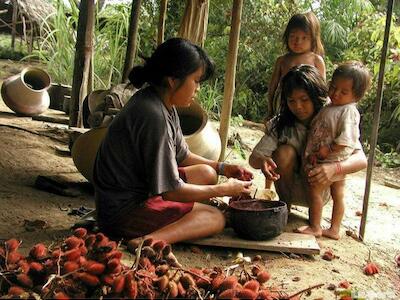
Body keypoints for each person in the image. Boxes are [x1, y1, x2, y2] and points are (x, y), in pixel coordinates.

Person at [92, 38, 253, 250]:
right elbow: (171, 192)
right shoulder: (153, 115)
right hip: (122, 212)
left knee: (207, 172)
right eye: (195, 81)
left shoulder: (164, 104)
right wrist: (222, 189)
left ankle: (174, 218)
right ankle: (145, 242)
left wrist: (223, 168)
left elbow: (183, 156)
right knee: (215, 218)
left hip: (143, 191)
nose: (197, 89)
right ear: (172, 80)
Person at [249, 65, 367, 236]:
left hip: (320, 187)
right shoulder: (281, 124)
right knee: (284, 152)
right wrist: (263, 161)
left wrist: (335, 168)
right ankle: (284, 209)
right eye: (291, 101)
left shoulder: (335, 113)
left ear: (315, 95)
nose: (298, 106)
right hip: (289, 189)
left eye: (304, 100)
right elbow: (254, 159)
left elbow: (361, 159)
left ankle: (323, 227)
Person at [296, 61, 371, 239]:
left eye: (344, 92)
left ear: (357, 96)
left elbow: (347, 140)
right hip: (326, 158)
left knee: (314, 191)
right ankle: (334, 229)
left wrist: (327, 150)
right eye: (333, 87)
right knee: (338, 194)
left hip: (330, 160)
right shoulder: (331, 106)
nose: (336, 93)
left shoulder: (349, 112)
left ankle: (315, 226)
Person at [267, 12, 326, 120]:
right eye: (293, 36)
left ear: (313, 39)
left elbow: (321, 89)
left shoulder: (316, 60)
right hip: (284, 104)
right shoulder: (282, 60)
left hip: (308, 105)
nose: (298, 42)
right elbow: (273, 87)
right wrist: (270, 109)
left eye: (304, 38)